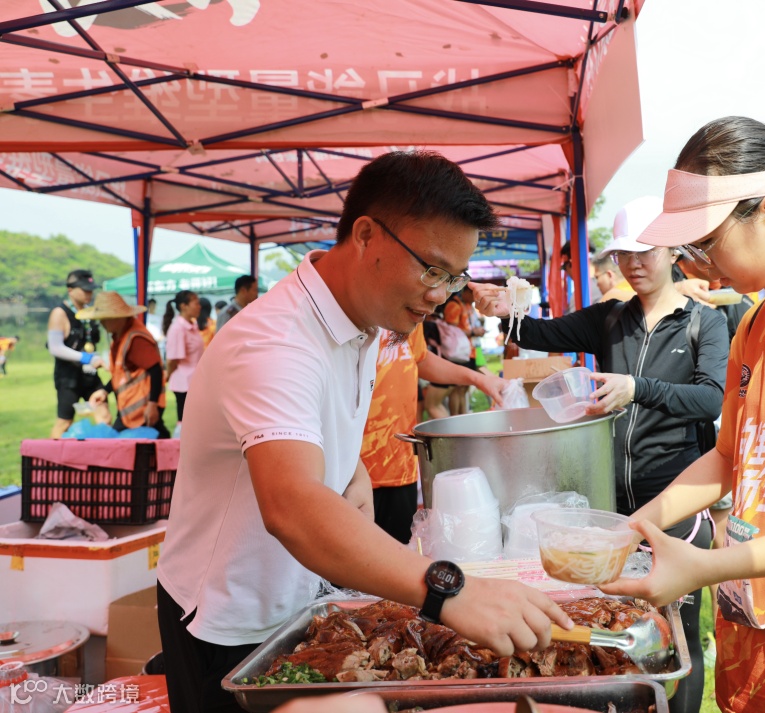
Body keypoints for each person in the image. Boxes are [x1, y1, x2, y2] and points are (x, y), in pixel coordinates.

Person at [155, 151, 573, 713]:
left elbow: (311, 422)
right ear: (367, 235)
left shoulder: (365, 323)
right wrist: (449, 589)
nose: (440, 294)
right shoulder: (274, 342)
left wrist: (348, 465)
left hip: (300, 597)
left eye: (453, 278)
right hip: (228, 622)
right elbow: (292, 506)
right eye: (431, 269)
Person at [600, 117, 765, 713]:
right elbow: (729, 456)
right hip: (753, 645)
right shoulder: (753, 327)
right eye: (687, 252)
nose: (695, 269)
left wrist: (706, 566)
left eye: (705, 245)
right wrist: (632, 527)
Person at [470, 197, 730, 713]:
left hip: (675, 504)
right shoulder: (611, 318)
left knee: (677, 634)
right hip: (612, 507)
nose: (633, 264)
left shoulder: (704, 322)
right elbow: (540, 332)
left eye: (644, 252)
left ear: (672, 251)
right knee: (621, 627)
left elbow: (710, 399)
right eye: (623, 255)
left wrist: (637, 388)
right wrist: (506, 311)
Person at [363, 325, 509, 544]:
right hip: (355, 471)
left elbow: (420, 358)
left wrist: (478, 379)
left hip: (400, 464)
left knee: (399, 549)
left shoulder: (410, 317)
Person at [81, 291, 171, 439]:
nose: (102, 323)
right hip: (131, 407)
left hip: (143, 407)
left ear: (118, 317)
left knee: (136, 442)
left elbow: (155, 370)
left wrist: (152, 404)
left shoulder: (136, 339)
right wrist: (105, 391)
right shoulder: (120, 336)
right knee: (155, 437)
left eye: (105, 319)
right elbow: (121, 372)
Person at [47, 269, 110, 438]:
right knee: (64, 422)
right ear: (70, 290)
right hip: (69, 377)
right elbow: (55, 347)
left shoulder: (90, 313)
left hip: (90, 375)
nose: (89, 293)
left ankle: (102, 453)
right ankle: (50, 454)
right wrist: (87, 358)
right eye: (84, 290)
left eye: (91, 290)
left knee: (104, 416)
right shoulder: (60, 313)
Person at [162, 289, 204, 434]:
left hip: (193, 381)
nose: (199, 306)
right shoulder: (178, 328)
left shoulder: (191, 325)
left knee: (195, 421)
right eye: (196, 303)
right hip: (184, 383)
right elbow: (172, 360)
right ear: (183, 306)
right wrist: (168, 375)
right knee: (186, 422)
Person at [441, 286, 486, 415]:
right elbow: (451, 331)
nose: (475, 299)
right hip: (458, 353)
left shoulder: (467, 305)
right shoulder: (454, 305)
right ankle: (455, 417)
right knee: (457, 388)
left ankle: (462, 416)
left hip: (470, 352)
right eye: (473, 295)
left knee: (464, 388)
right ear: (466, 292)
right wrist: (473, 332)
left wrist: (476, 331)